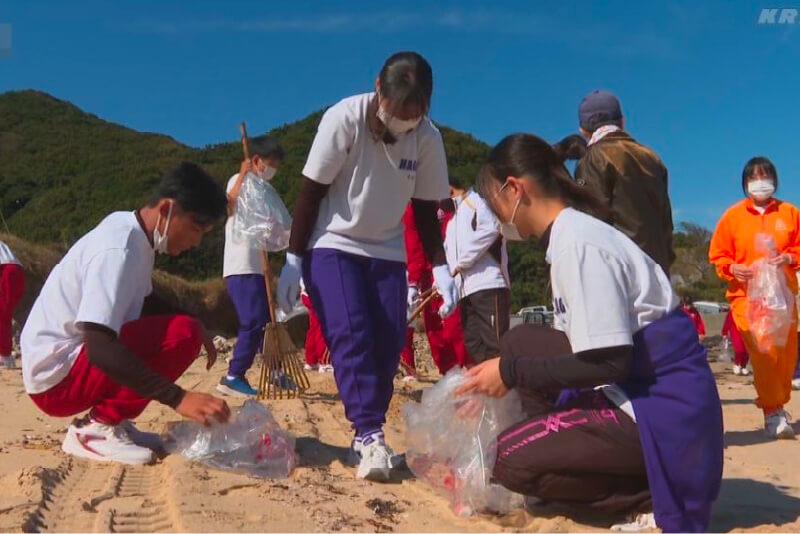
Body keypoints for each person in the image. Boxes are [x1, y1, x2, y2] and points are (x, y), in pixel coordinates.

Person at [457, 133, 723, 532]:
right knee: (519, 341)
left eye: (493, 201)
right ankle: (557, 446)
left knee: (505, 459)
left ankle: (648, 490)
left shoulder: (577, 244)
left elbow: (611, 360)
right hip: (639, 388)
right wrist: (505, 368)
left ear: (514, 189)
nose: (495, 216)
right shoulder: (570, 235)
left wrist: (509, 374)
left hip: (662, 412)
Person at [275, 51, 456, 481]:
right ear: (379, 87)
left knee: (388, 339)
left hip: (387, 249)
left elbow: (426, 207)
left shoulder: (427, 137)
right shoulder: (345, 119)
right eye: (397, 112)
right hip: (333, 242)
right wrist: (293, 259)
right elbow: (310, 192)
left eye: (413, 115)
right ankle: (370, 433)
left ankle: (366, 433)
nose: (403, 122)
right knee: (352, 332)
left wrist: (441, 268)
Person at [21, 162, 232, 465]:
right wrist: (178, 398)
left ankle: (112, 421)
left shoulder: (132, 233)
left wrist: (197, 324)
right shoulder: (117, 250)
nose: (196, 242)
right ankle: (96, 429)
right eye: (196, 229)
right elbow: (100, 347)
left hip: (65, 367)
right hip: (56, 380)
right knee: (181, 334)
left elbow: (145, 301)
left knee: (186, 329)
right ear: (167, 209)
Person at [709, 157, 800, 439]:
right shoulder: (733, 216)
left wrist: (789, 257)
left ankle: (778, 403)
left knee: (785, 357)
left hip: (782, 296)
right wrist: (731, 268)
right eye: (754, 177)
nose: (761, 182)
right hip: (746, 298)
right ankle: (772, 411)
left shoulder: (790, 213)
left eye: (766, 176)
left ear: (774, 180)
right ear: (745, 183)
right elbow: (718, 255)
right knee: (763, 354)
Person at [575, 90, 675, 275]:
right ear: (622, 121)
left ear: (583, 130)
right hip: (658, 270)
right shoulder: (651, 156)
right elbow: (666, 220)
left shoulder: (592, 158)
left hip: (621, 272)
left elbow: (591, 223)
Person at [219, 136, 285, 397]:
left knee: (268, 322)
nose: (272, 170)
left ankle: (277, 371)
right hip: (240, 264)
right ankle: (234, 375)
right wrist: (243, 174)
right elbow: (228, 204)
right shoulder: (239, 180)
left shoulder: (262, 190)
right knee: (253, 320)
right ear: (256, 160)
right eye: (270, 164)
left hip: (258, 266)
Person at [401, 181, 471, 379]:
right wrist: (414, 281)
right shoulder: (412, 209)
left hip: (454, 270)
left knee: (455, 323)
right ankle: (449, 371)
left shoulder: (456, 207)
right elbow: (414, 246)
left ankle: (465, 367)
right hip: (427, 271)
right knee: (435, 325)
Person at [444, 179, 510, 363]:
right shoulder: (452, 221)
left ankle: (506, 388)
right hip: (465, 291)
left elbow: (491, 229)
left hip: (489, 283)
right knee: (473, 343)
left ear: (449, 188)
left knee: (495, 342)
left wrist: (461, 262)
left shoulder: (478, 201)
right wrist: (441, 282)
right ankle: (487, 388)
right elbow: (448, 256)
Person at [0, 240, 24, 369]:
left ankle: (4, 357)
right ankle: (6, 356)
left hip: (7, 271)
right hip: (17, 271)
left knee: (2, 315)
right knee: (5, 315)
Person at [302, 281, 332, 373]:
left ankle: (311, 360)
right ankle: (325, 363)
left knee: (314, 327)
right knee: (322, 327)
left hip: (307, 292)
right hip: (316, 292)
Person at [722, 310, 750, 376]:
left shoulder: (749, 309)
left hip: (746, 332)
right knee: (739, 349)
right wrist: (724, 332)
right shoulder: (733, 310)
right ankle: (737, 364)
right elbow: (728, 321)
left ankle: (743, 366)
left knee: (747, 351)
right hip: (735, 331)